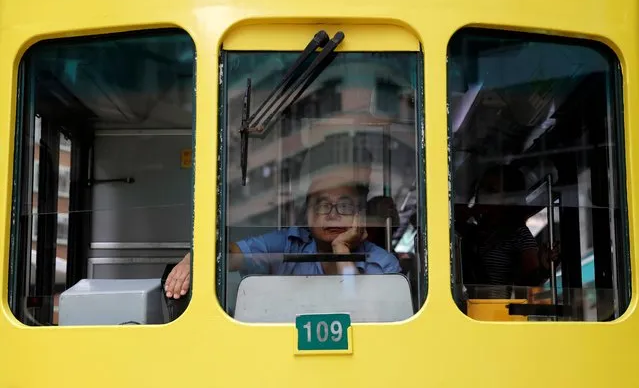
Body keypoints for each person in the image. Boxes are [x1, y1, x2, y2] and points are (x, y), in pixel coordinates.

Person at [164, 150, 402, 299]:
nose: (333, 214)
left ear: (360, 215)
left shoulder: (385, 265)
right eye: (321, 205)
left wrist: (341, 250)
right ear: (306, 215)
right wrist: (191, 260)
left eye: (345, 207)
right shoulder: (288, 244)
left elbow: (358, 309)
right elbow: (229, 256)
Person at [455, 164, 559, 298]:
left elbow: (529, 283)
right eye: (480, 188)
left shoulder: (519, 235)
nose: (482, 194)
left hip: (497, 312)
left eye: (491, 190)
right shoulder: (472, 231)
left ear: (509, 198)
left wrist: (544, 268)